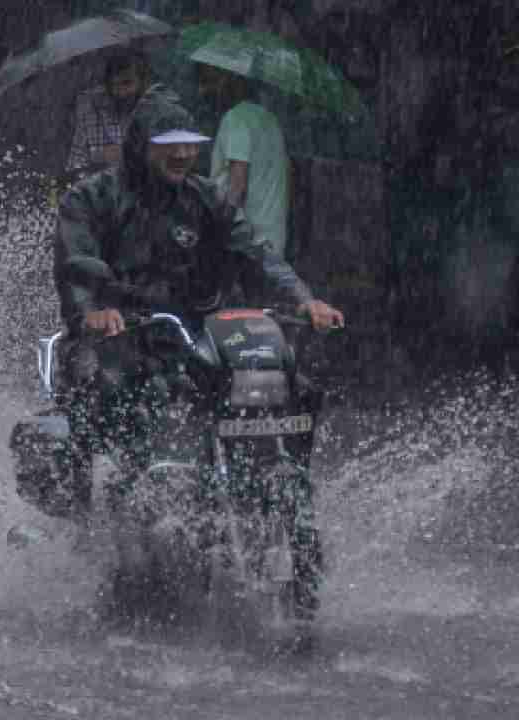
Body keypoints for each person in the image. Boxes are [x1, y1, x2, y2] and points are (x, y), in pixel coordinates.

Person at [53, 87, 343, 615]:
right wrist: (92, 310)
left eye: (190, 144)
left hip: (192, 336)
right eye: (170, 144)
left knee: (291, 385)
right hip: (117, 338)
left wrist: (304, 300)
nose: (184, 154)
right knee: (123, 403)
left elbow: (257, 253)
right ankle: (107, 537)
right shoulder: (91, 198)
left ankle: (271, 499)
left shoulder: (206, 198)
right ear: (142, 144)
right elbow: (76, 265)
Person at [197, 63, 291, 258]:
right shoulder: (270, 119)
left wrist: (219, 230)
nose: (203, 90)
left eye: (211, 82)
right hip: (273, 237)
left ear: (234, 81)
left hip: (247, 243)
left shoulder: (236, 118)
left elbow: (237, 185)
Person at [66, 49, 151, 177]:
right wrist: (99, 156)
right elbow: (73, 167)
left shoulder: (156, 114)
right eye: (114, 85)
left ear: (142, 82)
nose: (120, 92)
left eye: (127, 83)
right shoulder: (90, 114)